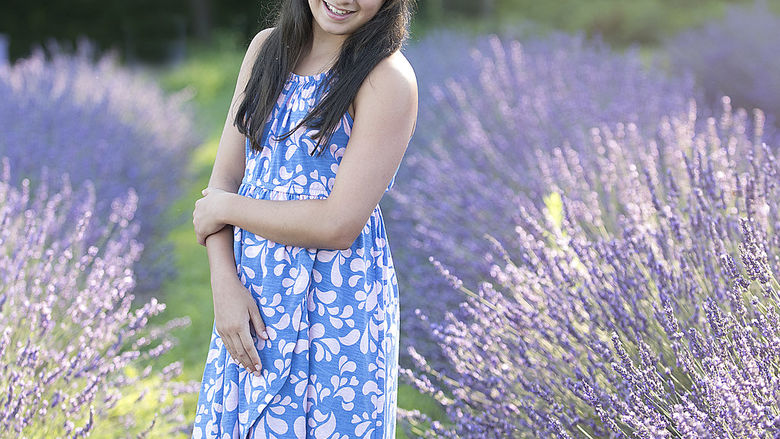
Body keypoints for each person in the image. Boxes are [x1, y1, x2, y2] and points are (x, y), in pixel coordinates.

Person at [189, 0, 418, 437]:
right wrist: (224, 284)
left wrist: (225, 208)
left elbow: (338, 224)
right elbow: (225, 178)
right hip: (251, 300)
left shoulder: (387, 79)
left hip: (337, 312)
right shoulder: (265, 52)